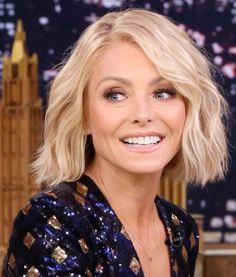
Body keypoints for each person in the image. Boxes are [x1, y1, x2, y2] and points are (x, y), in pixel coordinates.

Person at [2, 8, 228, 277]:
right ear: (83, 115)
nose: (143, 115)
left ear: (189, 108)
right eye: (116, 95)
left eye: (163, 92)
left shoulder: (180, 228)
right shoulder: (52, 222)